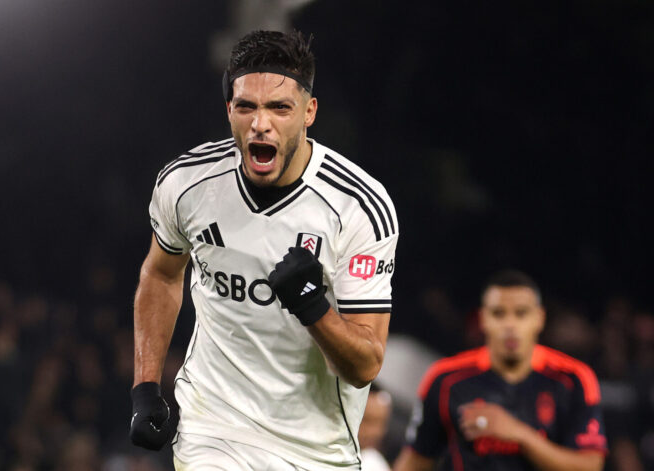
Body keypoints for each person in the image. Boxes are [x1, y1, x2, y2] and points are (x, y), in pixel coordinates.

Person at [129, 30, 399, 470]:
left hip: (315, 447)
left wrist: (313, 307)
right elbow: (161, 274)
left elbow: (365, 364)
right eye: (247, 107)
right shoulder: (186, 185)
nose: (261, 124)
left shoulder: (358, 208)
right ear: (229, 111)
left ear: (309, 112)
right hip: (213, 427)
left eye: (279, 107)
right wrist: (145, 388)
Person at [393, 270, 607, 471]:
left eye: (521, 314)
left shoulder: (573, 379)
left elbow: (589, 465)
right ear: (483, 319)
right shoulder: (446, 379)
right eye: (499, 314)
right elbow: (415, 461)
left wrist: (519, 434)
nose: (510, 325)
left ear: (539, 318)